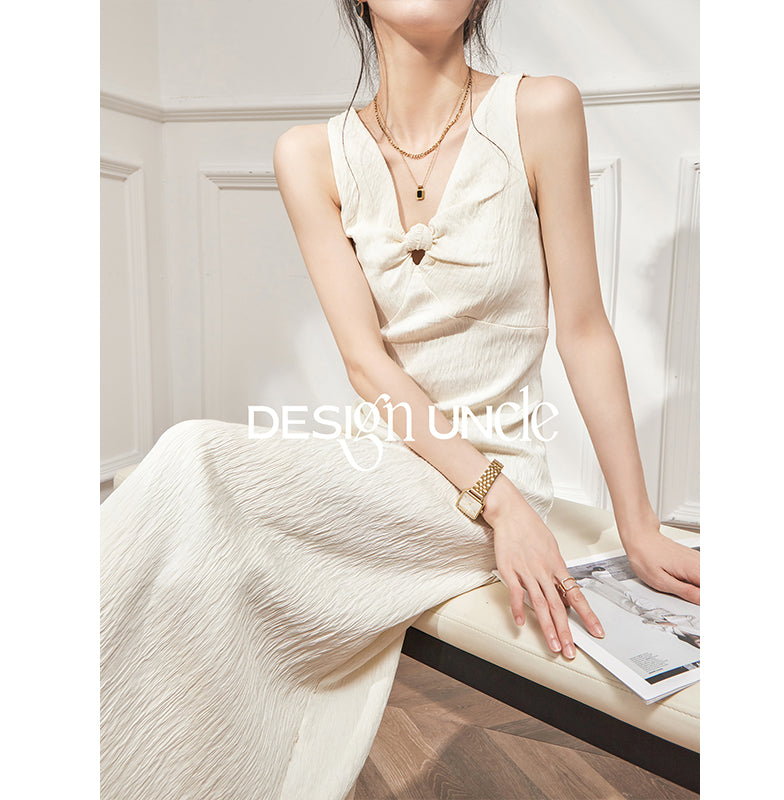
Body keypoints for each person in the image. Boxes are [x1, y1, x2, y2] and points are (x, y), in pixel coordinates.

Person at [100, 2, 701, 798]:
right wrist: (498, 503)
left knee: (191, 464)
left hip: (490, 476)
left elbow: (584, 332)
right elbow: (366, 364)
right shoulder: (310, 155)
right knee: (182, 555)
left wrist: (635, 525)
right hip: (383, 461)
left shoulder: (540, 110)